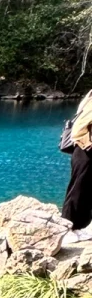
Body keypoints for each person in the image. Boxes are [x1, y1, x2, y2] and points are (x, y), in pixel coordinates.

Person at [62, 89, 92, 232]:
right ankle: (68, 227)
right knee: (77, 189)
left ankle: (82, 227)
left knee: (86, 190)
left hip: (84, 149)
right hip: (84, 150)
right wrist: (87, 145)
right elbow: (78, 128)